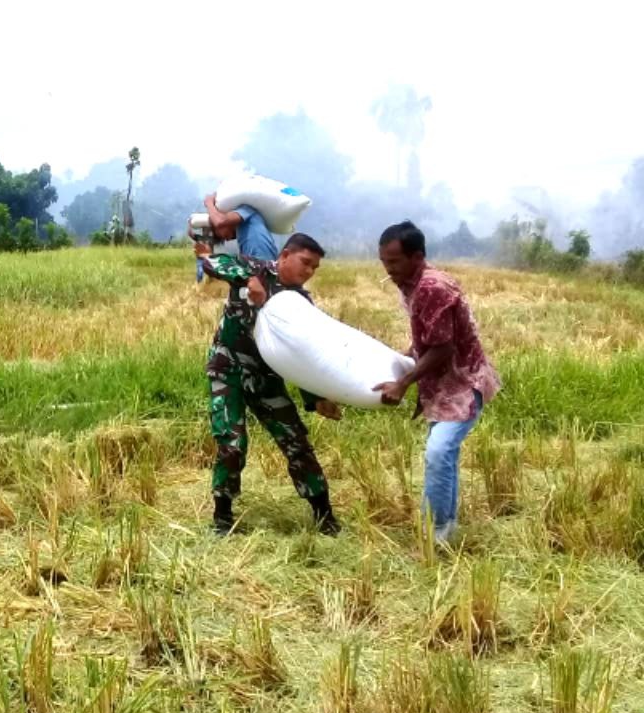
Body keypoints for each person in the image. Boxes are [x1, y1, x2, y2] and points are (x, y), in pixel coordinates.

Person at [193, 232, 343, 535]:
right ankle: (222, 517)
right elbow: (217, 265)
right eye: (305, 262)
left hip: (266, 378)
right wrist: (205, 254)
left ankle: (324, 514)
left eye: (315, 267)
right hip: (229, 369)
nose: (309, 272)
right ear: (285, 255)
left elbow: (300, 353)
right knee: (231, 443)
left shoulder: (301, 302)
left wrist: (317, 397)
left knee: (296, 442)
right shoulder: (252, 269)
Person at [372, 221, 501, 547]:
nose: (388, 270)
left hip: (461, 383)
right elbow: (426, 340)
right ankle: (446, 527)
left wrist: (403, 383)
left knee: (439, 451)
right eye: (384, 262)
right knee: (444, 455)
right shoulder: (411, 284)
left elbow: (442, 349)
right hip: (442, 383)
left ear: (417, 257)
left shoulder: (431, 288)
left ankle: (437, 532)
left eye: (394, 262)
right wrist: (401, 361)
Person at [204, 193, 279, 261]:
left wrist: (209, 203)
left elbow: (220, 222)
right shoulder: (242, 232)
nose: (227, 239)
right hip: (259, 266)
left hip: (264, 264)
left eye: (221, 236)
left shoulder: (246, 210)